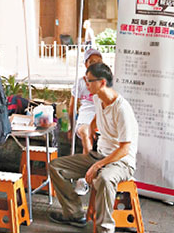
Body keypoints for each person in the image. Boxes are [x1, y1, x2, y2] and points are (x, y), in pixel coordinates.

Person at [49, 62, 138, 232]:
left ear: (102, 82)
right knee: (56, 167)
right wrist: (90, 128)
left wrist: (97, 166)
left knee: (104, 178)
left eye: (88, 80)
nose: (86, 84)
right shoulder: (98, 98)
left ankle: (105, 229)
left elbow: (124, 149)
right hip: (99, 156)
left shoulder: (122, 109)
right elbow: (98, 115)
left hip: (121, 162)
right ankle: (74, 214)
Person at [68, 48, 103, 154]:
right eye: (92, 62)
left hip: (102, 117)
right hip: (85, 118)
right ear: (86, 64)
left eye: (99, 61)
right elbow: (72, 107)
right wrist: (71, 128)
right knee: (86, 134)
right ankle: (87, 162)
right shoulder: (80, 83)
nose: (96, 65)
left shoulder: (107, 82)